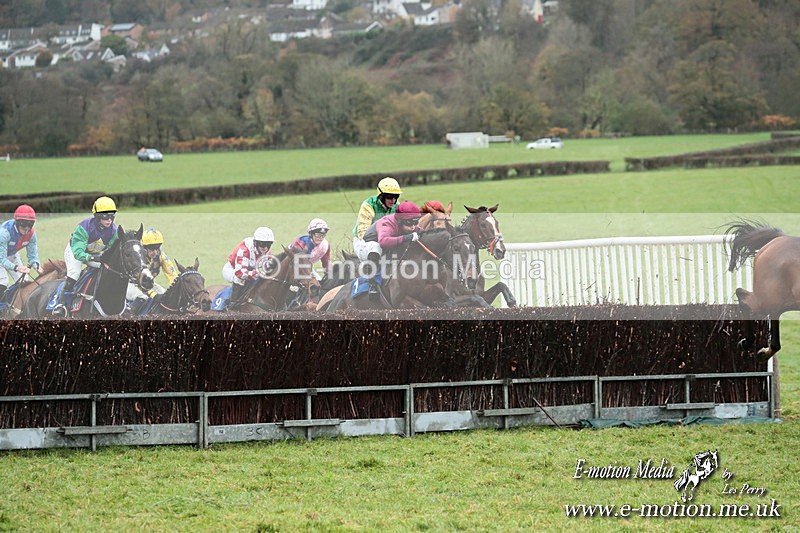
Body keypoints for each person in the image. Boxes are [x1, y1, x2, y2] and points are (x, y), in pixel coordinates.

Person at [54, 196, 119, 315]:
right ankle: (61, 304)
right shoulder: (84, 228)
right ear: (98, 216)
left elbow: (110, 251)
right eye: (105, 216)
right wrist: (93, 258)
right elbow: (78, 253)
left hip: (94, 254)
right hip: (75, 252)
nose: (109, 220)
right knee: (74, 273)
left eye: (111, 216)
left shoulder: (114, 231)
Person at [359, 200, 422, 298]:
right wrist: (408, 237)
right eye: (410, 224)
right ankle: (372, 284)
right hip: (368, 246)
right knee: (376, 247)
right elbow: (383, 241)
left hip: (387, 246)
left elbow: (421, 232)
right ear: (400, 221)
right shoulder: (387, 224)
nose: (413, 227)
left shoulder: (408, 223)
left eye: (415, 223)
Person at [352, 177, 402, 262]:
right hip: (365, 242)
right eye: (390, 197)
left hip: (385, 241)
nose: (393, 200)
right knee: (376, 247)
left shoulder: (397, 206)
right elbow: (364, 233)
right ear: (381, 196)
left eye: (396, 196)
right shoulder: (368, 205)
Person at [0, 204, 43, 301]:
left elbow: (33, 255)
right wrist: (17, 268)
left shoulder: (31, 234)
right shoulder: (4, 232)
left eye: (30, 224)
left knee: (24, 282)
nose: (26, 228)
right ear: (17, 222)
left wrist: (37, 266)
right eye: (24, 224)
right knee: (3, 280)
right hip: (0, 255)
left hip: (11, 254)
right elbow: (1, 259)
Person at [223, 226, 275, 303]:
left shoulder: (267, 252)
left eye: (269, 244)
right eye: (263, 244)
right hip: (232, 270)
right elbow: (240, 273)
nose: (266, 248)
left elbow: (268, 267)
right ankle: (232, 305)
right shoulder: (244, 250)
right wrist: (258, 272)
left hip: (251, 270)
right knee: (240, 279)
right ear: (255, 242)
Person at [126, 229, 178, 302]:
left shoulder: (161, 255)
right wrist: (152, 293)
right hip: (131, 285)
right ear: (144, 248)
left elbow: (171, 275)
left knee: (166, 298)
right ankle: (129, 311)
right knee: (143, 297)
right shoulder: (138, 257)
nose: (155, 252)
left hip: (149, 285)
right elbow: (140, 282)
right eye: (152, 249)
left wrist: (177, 289)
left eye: (157, 248)